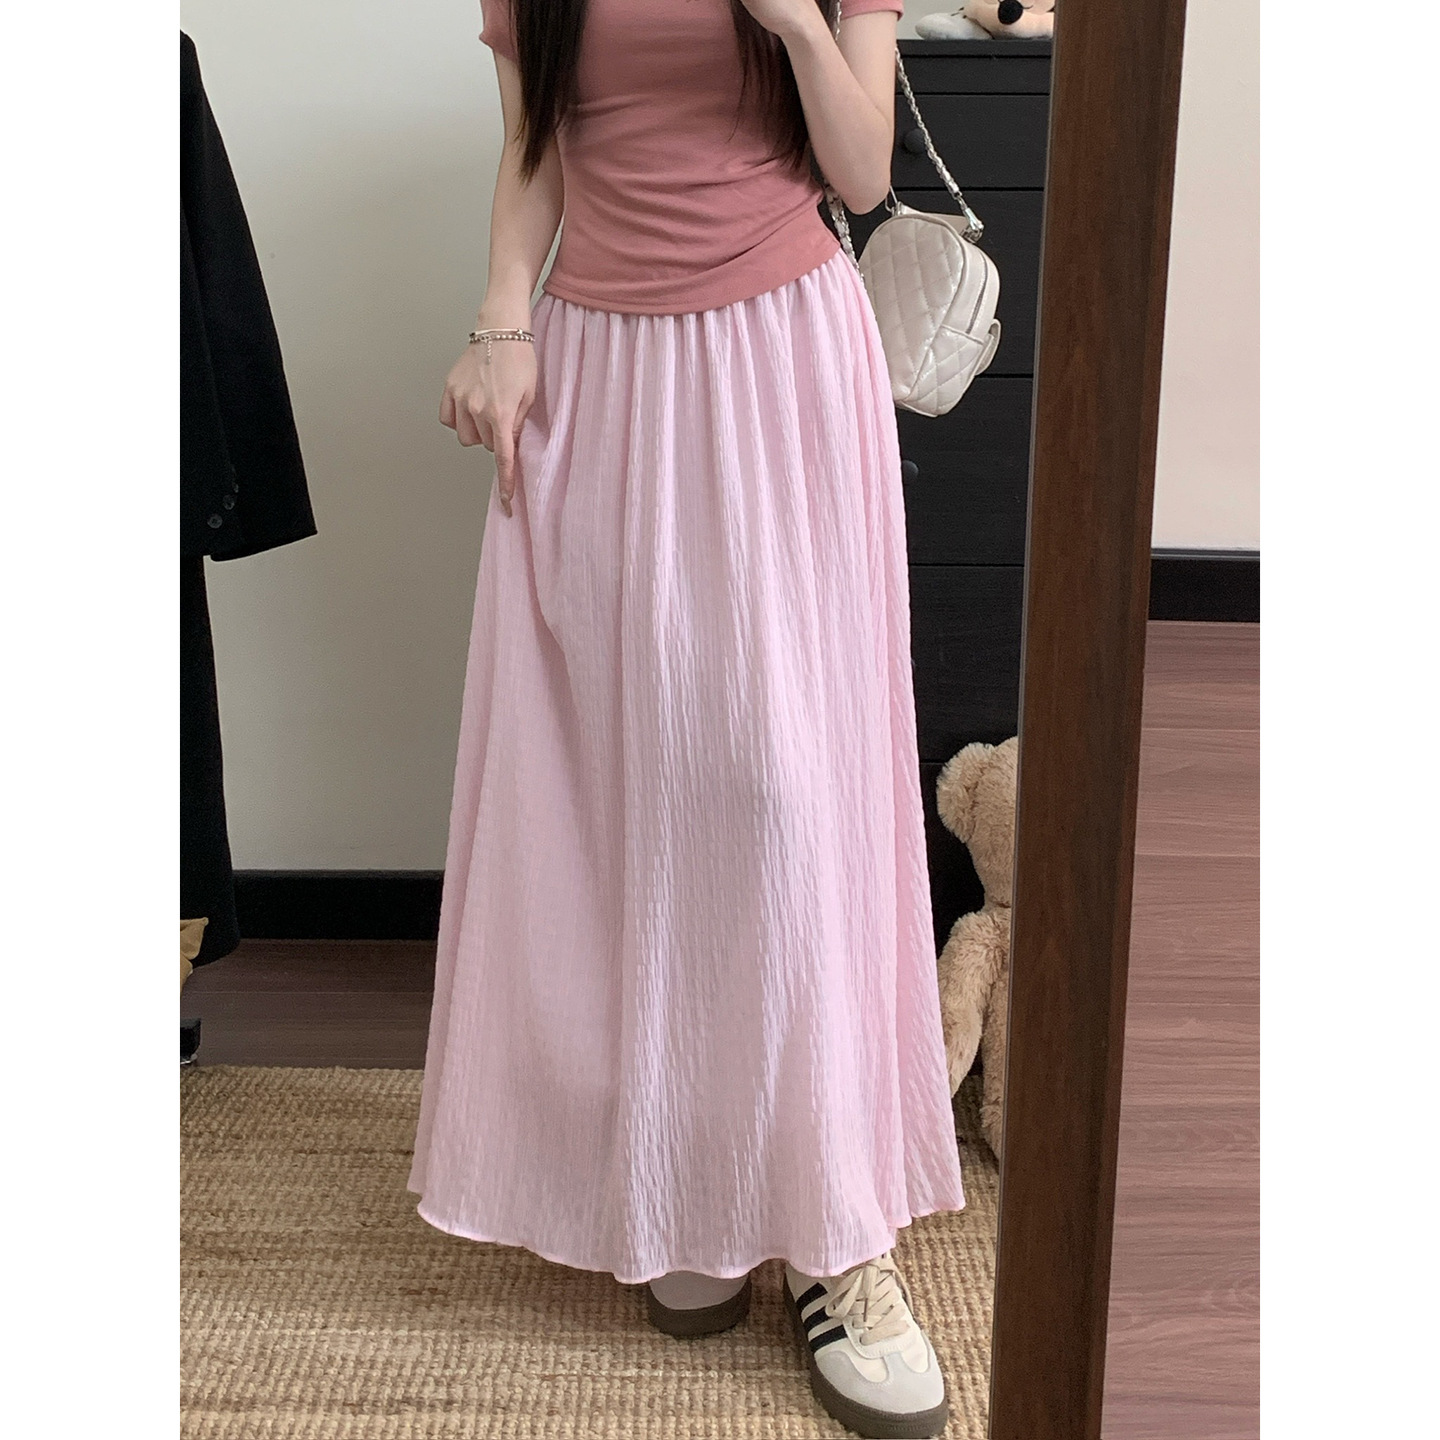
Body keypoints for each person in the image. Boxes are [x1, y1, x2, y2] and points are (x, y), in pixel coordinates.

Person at [407, 3, 966, 1435]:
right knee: (643, 785)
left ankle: (841, 1236)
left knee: (788, 787)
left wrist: (792, 21)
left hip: (780, 365)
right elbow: (536, 145)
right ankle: (703, 1180)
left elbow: (861, 169)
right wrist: (500, 323)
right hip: (598, 372)